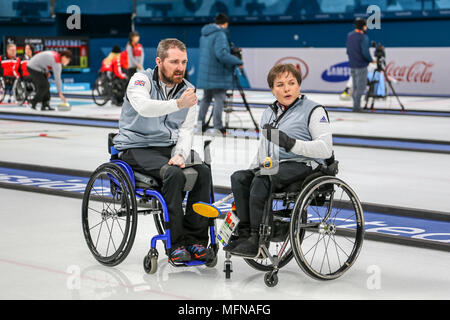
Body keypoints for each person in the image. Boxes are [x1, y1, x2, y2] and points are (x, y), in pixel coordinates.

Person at [113, 38, 213, 263]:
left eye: (184, 62)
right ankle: (175, 244)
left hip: (167, 147)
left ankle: (196, 240)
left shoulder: (188, 90)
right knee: (174, 174)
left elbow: (187, 130)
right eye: (174, 62)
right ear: (159, 61)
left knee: (203, 171)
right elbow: (144, 107)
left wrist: (180, 154)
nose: (180, 67)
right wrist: (178, 104)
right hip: (136, 146)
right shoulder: (140, 80)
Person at [225, 63, 333, 257]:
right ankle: (245, 232)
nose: (286, 88)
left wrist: (291, 143)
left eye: (291, 83)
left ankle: (258, 237)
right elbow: (263, 148)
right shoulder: (269, 113)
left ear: (299, 85)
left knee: (264, 177)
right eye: (280, 84)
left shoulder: (314, 110)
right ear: (272, 90)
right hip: (276, 166)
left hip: (305, 164)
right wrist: (251, 170)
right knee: (239, 178)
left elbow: (325, 149)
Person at [196, 13, 243, 134]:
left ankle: (200, 125)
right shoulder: (220, 34)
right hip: (218, 73)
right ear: (225, 24)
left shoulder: (205, 35)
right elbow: (221, 54)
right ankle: (218, 126)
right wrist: (238, 61)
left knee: (206, 99)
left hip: (207, 73)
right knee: (219, 99)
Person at [346, 17, 375, 112]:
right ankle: (357, 107)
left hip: (352, 65)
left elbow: (348, 51)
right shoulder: (363, 37)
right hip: (361, 65)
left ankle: (355, 105)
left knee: (354, 86)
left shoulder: (349, 35)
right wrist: (371, 60)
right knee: (360, 87)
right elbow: (365, 52)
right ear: (363, 26)